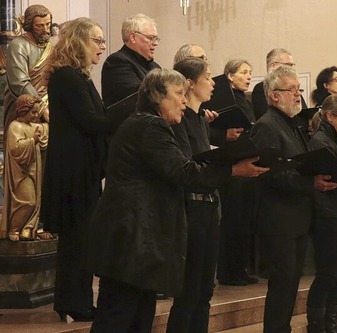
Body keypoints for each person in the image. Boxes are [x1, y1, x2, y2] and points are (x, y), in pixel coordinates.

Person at [88, 68, 267, 333]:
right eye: (178, 94)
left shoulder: (144, 122)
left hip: (135, 238)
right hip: (131, 238)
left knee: (136, 317)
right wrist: (233, 170)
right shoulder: (151, 125)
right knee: (120, 317)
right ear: (156, 96)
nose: (184, 101)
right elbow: (181, 171)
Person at [250, 66, 337, 333]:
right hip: (279, 220)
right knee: (282, 284)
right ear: (274, 95)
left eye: (298, 90)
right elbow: (270, 174)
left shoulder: (292, 124)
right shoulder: (266, 126)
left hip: (297, 216)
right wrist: (311, 182)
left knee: (291, 283)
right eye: (292, 90)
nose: (298, 95)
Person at [40, 16, 112, 323]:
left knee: (82, 238)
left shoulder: (79, 77)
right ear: (78, 42)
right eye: (97, 40)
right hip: (72, 170)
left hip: (82, 168)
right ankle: (73, 301)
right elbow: (93, 121)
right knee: (77, 238)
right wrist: (134, 106)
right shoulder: (67, 77)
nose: (102, 46)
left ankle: (76, 300)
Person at [165, 57, 219, 333]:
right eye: (208, 77)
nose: (212, 83)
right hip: (191, 210)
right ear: (189, 83)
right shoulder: (180, 119)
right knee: (189, 291)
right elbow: (189, 164)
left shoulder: (201, 118)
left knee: (205, 291)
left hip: (209, 206)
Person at [305, 94, 337, 333]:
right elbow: (332, 176)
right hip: (328, 212)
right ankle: (317, 327)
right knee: (328, 273)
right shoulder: (321, 140)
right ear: (329, 116)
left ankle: (332, 326)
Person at [209, 59, 260, 286]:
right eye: (244, 72)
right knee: (232, 219)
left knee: (243, 220)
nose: (249, 77)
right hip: (231, 160)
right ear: (229, 75)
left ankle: (239, 268)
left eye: (250, 73)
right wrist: (226, 135)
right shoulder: (221, 98)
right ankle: (228, 271)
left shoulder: (245, 100)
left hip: (245, 157)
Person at [0, 94, 48, 241]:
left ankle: (27, 229)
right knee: (27, 202)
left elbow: (47, 131)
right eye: (33, 112)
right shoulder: (15, 126)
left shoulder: (34, 126)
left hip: (33, 171)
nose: (36, 115)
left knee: (35, 202)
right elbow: (16, 149)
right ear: (23, 110)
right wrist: (32, 141)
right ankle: (13, 229)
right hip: (21, 174)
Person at [101, 13, 161, 129]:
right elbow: (142, 96)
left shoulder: (155, 67)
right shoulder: (117, 62)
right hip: (129, 135)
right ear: (133, 37)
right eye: (150, 38)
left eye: (156, 38)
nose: (155, 43)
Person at [4, 4, 52, 134]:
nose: (46, 30)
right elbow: (20, 82)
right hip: (24, 108)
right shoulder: (18, 45)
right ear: (30, 26)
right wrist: (41, 109)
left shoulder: (50, 46)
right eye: (40, 26)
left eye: (48, 24)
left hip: (48, 104)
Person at [252, 48, 308, 120]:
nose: (291, 69)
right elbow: (265, 116)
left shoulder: (295, 87)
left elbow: (303, 111)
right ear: (273, 66)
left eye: (292, 65)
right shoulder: (261, 88)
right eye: (288, 65)